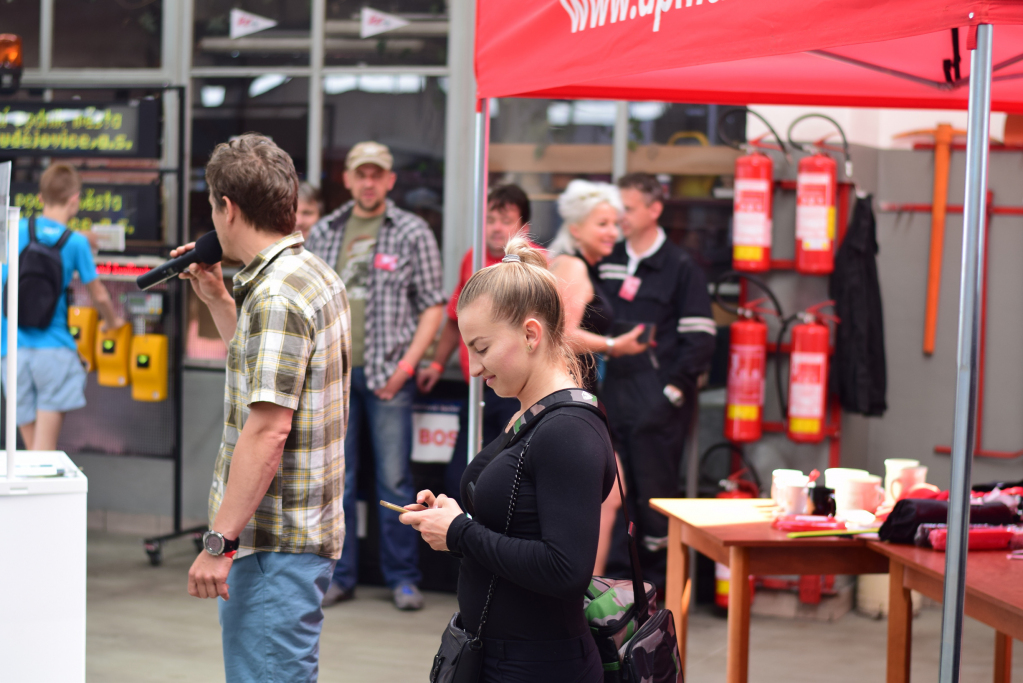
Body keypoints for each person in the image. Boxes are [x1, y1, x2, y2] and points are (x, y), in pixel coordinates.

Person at [400, 237, 613, 683]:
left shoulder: (568, 430)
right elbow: (518, 523)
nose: (474, 367)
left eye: (482, 348)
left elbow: (566, 569)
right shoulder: (532, 414)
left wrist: (460, 532)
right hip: (500, 657)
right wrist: (455, 521)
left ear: (531, 334)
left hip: (539, 666)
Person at [180, 134, 351, 683]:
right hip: (298, 537)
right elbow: (269, 374)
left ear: (227, 208)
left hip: (272, 542)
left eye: (213, 206)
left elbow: (268, 431)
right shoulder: (311, 274)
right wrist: (218, 299)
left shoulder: (276, 296)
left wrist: (219, 542)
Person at [306, 141, 445, 610]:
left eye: (377, 174)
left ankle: (403, 579)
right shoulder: (325, 231)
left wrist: (407, 367)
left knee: (395, 482)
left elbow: (433, 305)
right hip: (336, 378)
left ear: (390, 180)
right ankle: (339, 577)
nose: (368, 182)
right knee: (338, 484)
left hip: (390, 378)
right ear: (347, 179)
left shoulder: (412, 231)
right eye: (360, 174)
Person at [598, 172, 716, 588]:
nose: (620, 217)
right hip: (611, 402)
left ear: (655, 210)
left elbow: (700, 339)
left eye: (628, 209)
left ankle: (655, 596)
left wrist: (670, 394)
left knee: (653, 506)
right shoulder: (607, 259)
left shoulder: (681, 267)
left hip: (657, 410)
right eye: (617, 208)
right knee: (611, 498)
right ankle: (614, 596)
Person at [547, 179, 648, 575]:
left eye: (614, 224)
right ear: (575, 229)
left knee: (604, 494)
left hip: (578, 397)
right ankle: (585, 588)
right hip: (571, 398)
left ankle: (585, 586)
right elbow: (563, 334)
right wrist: (613, 345)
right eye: (602, 224)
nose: (612, 232)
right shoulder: (572, 266)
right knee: (606, 494)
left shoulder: (579, 265)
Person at [416, 184, 535, 502]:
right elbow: (454, 319)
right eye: (490, 219)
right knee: (463, 469)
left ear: (523, 226)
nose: (496, 228)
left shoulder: (537, 264)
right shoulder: (474, 258)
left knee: (507, 474)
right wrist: (438, 363)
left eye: (505, 220)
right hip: (478, 385)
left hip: (517, 389)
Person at [1, 163, 124, 451]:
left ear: (40, 198)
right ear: (75, 200)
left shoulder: (13, 229)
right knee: (43, 454)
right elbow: (99, 295)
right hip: (54, 351)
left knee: (32, 453)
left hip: (10, 351)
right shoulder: (76, 243)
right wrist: (113, 322)